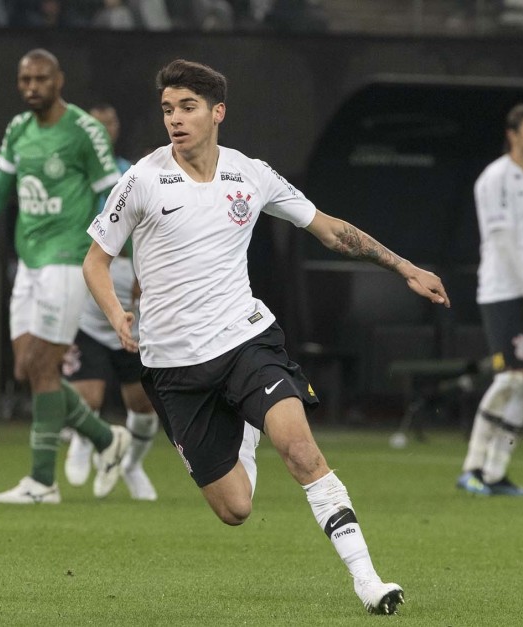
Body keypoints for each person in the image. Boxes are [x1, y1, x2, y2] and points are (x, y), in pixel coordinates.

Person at [83, 59, 450, 615]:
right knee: (235, 509)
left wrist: (404, 268)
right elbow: (95, 261)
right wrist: (115, 314)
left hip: (245, 340)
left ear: (217, 113)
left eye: (187, 108)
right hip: (173, 365)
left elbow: (331, 230)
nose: (175, 120)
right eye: (167, 109)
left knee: (301, 451)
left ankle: (369, 581)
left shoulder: (251, 174)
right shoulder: (141, 179)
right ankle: (244, 432)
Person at [0, 49, 132, 505]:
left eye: (41, 79)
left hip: (68, 259)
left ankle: (43, 482)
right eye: (24, 79)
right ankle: (107, 439)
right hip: (29, 260)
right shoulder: (17, 129)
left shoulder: (84, 130)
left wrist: (122, 258)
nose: (32, 87)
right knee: (27, 367)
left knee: (44, 368)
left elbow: (115, 196)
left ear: (59, 80)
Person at [456, 103, 523, 497]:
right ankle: (472, 469)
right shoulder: (494, 179)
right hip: (504, 291)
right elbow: (502, 241)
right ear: (513, 134)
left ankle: (497, 472)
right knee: (511, 376)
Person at [63, 103, 159, 501]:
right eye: (95, 124)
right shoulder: (73, 174)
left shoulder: (131, 172)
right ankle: (89, 439)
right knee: (90, 395)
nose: (103, 130)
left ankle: (131, 464)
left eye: (110, 122)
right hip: (88, 283)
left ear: (118, 127)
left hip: (128, 286)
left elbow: (146, 224)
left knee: (142, 402)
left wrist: (143, 271)